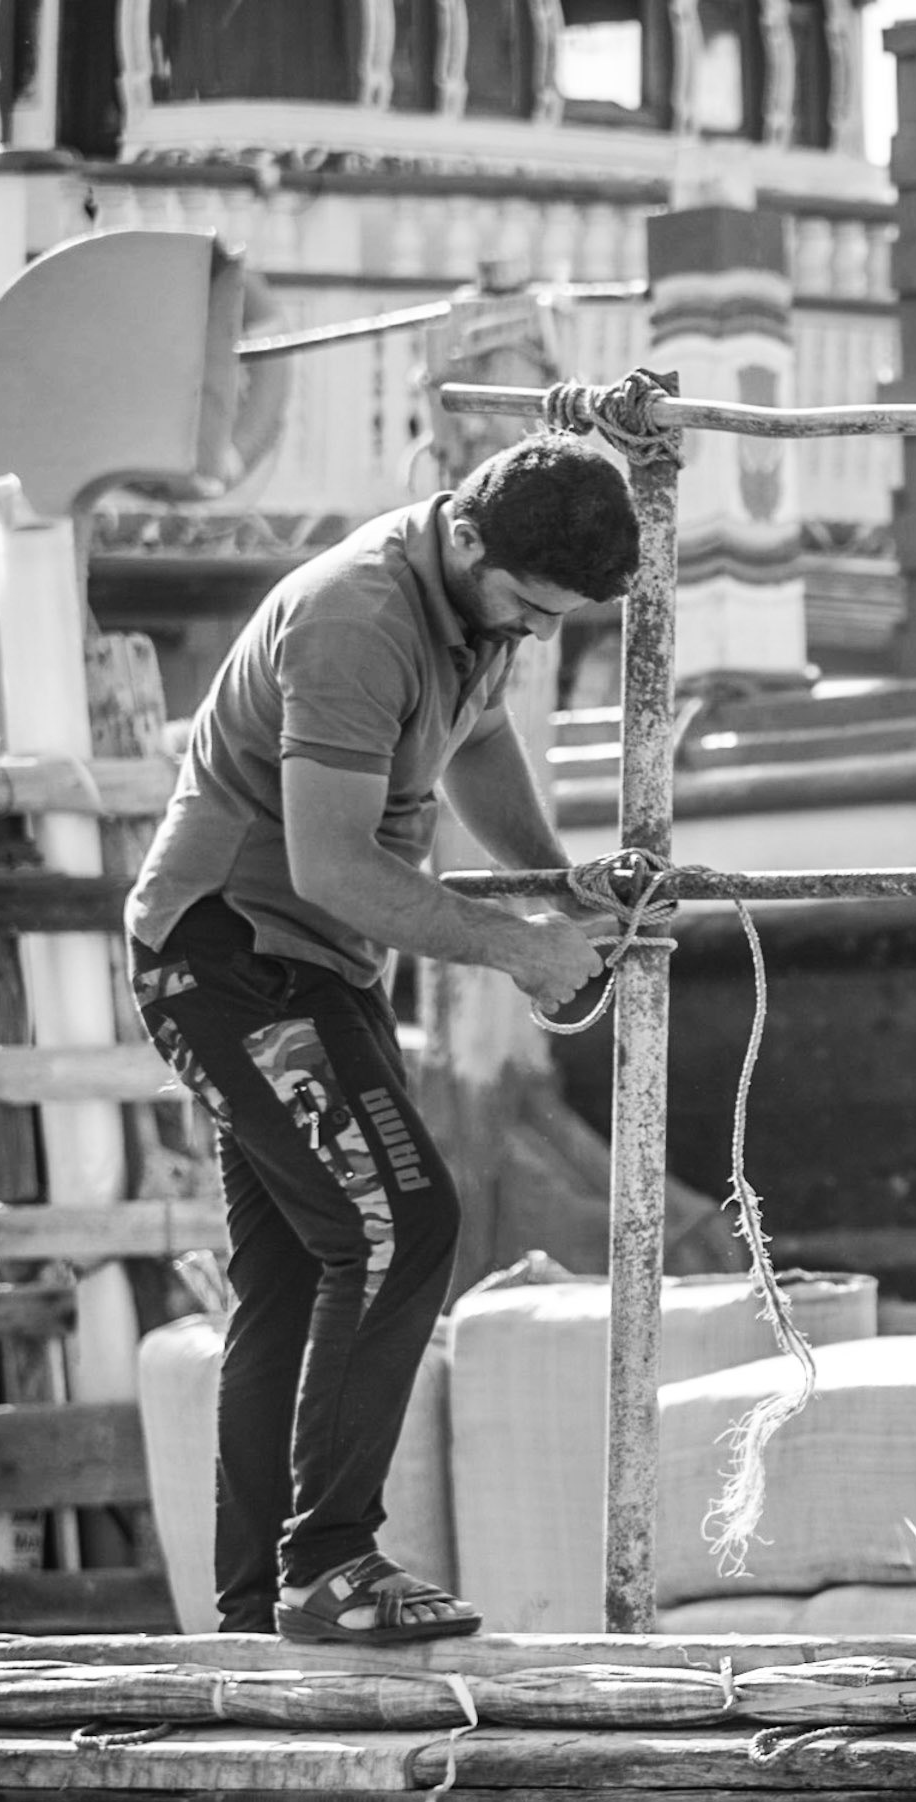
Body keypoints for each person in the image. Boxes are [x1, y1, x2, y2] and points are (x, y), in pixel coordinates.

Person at [125, 432, 641, 1643]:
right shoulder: (356, 617)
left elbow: (481, 742)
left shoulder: (477, 614)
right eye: (523, 604)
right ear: (465, 536)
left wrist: (551, 884)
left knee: (297, 1275)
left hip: (310, 965)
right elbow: (335, 865)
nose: (528, 631)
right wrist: (520, 948)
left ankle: (256, 1607)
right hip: (233, 958)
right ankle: (331, 1563)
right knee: (404, 1221)